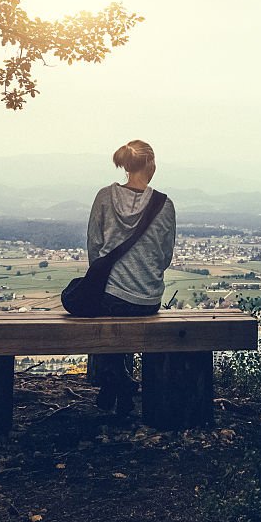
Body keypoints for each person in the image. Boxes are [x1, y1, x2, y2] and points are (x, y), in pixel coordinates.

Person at [85, 139, 177, 416]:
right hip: (148, 299)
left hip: (110, 297)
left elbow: (93, 244)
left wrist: (102, 278)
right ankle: (119, 385)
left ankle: (117, 383)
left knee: (105, 316)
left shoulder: (104, 197)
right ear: (150, 164)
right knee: (119, 320)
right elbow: (165, 256)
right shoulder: (165, 204)